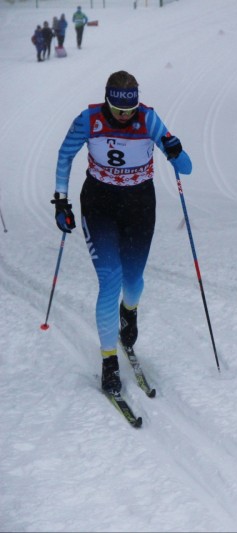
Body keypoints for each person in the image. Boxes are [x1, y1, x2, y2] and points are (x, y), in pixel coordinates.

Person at [51, 70, 192, 395]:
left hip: (139, 204)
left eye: (130, 110)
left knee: (133, 280)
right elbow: (64, 155)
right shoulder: (88, 120)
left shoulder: (149, 119)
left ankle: (129, 312)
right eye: (118, 111)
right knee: (110, 279)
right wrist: (61, 199)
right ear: (108, 102)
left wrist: (175, 149)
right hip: (99, 203)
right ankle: (109, 361)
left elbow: (186, 168)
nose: (125, 117)